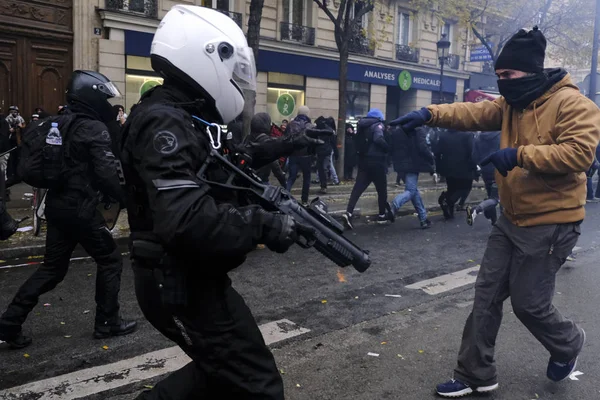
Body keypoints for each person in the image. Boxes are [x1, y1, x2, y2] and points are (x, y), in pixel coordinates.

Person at [119, 6, 323, 399]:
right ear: (206, 54)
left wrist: (287, 144)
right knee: (257, 381)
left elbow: (229, 165)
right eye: (232, 69)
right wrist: (264, 224)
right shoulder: (165, 122)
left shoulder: (185, 115)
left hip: (184, 276)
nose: (236, 82)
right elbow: (186, 220)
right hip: (178, 279)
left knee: (221, 373)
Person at [390, 26, 600, 397]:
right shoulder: (510, 104)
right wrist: (427, 113)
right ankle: (475, 374)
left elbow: (580, 154)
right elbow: (470, 113)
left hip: (552, 222)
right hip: (510, 218)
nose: (502, 82)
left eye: (509, 75)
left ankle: (568, 343)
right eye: (499, 75)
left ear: (531, 71)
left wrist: (519, 154)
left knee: (529, 305)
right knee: (485, 296)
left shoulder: (574, 104)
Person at [0, 70, 137, 349]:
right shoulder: (92, 128)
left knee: (52, 268)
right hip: (82, 209)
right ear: (92, 96)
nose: (107, 104)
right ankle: (108, 322)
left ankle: (9, 322)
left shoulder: (57, 124)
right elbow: (108, 172)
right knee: (110, 259)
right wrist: (129, 199)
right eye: (104, 97)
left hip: (57, 207)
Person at [343, 108, 393, 229]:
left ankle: (348, 212)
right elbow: (378, 139)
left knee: (357, 189)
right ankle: (381, 215)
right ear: (379, 117)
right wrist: (387, 148)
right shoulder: (378, 125)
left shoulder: (362, 125)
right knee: (382, 190)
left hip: (364, 161)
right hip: (377, 161)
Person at [389, 125, 433, 229]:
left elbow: (391, 147)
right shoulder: (418, 130)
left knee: (414, 191)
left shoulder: (397, 131)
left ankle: (423, 219)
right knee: (411, 191)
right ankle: (395, 204)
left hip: (400, 165)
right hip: (412, 165)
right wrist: (431, 159)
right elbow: (423, 147)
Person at [434, 129, 476, 220]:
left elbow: (437, 153)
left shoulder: (443, 135)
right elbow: (472, 152)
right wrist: (474, 166)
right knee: (465, 188)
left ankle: (449, 212)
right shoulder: (468, 135)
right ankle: (447, 200)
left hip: (448, 168)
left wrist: (439, 168)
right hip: (465, 168)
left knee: (452, 189)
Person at [467, 131, 501, 226]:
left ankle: (494, 220)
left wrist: (482, 165)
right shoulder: (501, 135)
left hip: (486, 171)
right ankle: (476, 209)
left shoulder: (478, 137)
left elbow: (474, 156)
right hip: (499, 169)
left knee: (491, 194)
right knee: (498, 198)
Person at [247, 112, 287, 186]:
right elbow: (276, 167)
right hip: (261, 183)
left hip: (247, 181)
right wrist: (283, 182)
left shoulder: (247, 139)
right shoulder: (267, 143)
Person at [285, 105, 313, 205]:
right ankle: (304, 200)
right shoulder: (310, 126)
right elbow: (312, 143)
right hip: (306, 155)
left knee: (291, 177)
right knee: (307, 178)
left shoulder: (291, 124)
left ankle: (285, 195)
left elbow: (286, 138)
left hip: (294, 154)